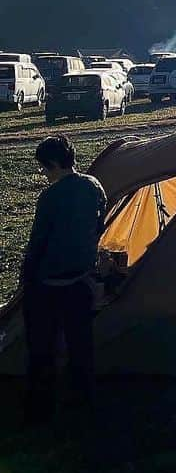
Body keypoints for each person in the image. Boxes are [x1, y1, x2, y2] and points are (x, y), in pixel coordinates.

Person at [21, 135, 107, 423]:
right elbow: (100, 224)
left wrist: (26, 279)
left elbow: (38, 242)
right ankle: (83, 400)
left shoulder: (51, 197)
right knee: (80, 345)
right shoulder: (94, 187)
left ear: (54, 164)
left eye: (45, 169)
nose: (45, 175)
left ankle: (40, 406)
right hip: (81, 280)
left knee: (42, 347)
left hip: (49, 284)